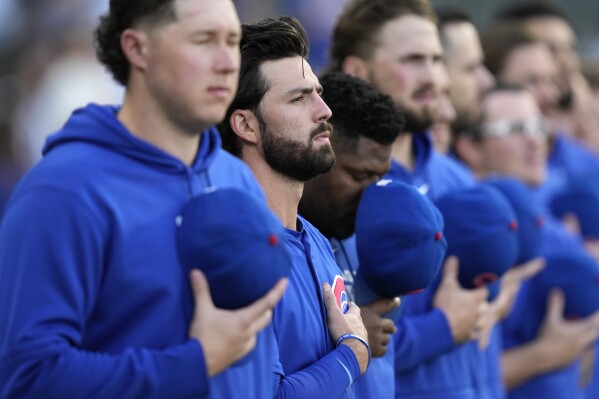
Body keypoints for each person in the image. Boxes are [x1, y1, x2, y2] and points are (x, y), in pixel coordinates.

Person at [0, 1, 289, 398]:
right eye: (203, 40)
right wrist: (194, 363)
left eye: (232, 41)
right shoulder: (62, 191)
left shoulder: (235, 176)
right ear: (137, 49)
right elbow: (29, 377)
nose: (227, 62)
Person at [328, 1, 494, 398]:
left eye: (437, 60)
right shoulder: (333, 189)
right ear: (357, 71)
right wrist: (442, 327)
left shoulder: (455, 178)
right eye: (414, 60)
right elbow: (335, 345)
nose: (434, 77)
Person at [218, 16, 370, 398]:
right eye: (299, 98)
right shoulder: (233, 253)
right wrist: (352, 355)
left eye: (317, 93)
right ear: (246, 126)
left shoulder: (315, 239)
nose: (324, 110)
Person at [453, 84, 599, 397]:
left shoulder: (556, 227)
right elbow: (445, 380)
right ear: (470, 147)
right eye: (515, 129)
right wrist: (542, 356)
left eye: (537, 126)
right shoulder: (466, 236)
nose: (534, 140)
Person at [299, 71, 405, 397]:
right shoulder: (281, 244)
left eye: (380, 178)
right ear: (320, 150)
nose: (371, 196)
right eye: (360, 175)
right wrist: (354, 344)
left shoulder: (367, 236)